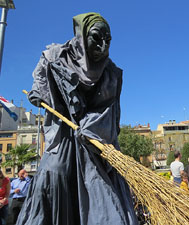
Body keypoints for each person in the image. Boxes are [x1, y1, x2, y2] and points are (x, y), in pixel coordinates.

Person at [19, 12, 138, 225]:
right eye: (96, 38)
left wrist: (89, 127)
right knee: (54, 173)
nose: (103, 46)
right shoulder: (55, 55)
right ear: (82, 35)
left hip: (95, 139)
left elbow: (109, 110)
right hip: (64, 135)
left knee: (101, 189)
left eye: (108, 41)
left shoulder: (111, 73)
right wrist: (39, 91)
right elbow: (40, 78)